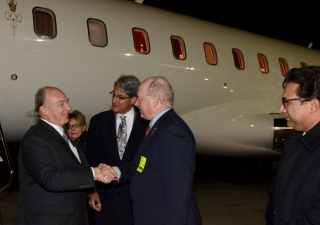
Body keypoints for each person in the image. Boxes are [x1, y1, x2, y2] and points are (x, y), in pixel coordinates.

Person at [14, 86, 117, 225]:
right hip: (50, 219)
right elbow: (51, 178)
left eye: (67, 102)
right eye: (61, 104)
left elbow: (73, 167)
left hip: (71, 216)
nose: (68, 107)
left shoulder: (60, 134)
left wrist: (91, 189)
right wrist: (94, 173)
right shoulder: (35, 139)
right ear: (44, 110)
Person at [118, 76, 202, 225]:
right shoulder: (159, 127)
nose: (136, 103)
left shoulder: (172, 131)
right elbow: (144, 165)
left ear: (155, 100)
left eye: (140, 98)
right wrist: (116, 172)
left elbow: (178, 194)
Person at [85, 75, 148, 225]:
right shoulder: (98, 121)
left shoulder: (146, 124)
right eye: (113, 94)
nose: (114, 100)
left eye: (120, 97)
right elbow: (90, 159)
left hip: (136, 198)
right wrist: (91, 191)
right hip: (104, 198)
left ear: (133, 99)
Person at [265, 66, 320, 225]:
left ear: (313, 105)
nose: (281, 109)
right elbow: (275, 194)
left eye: (287, 102)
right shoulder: (294, 142)